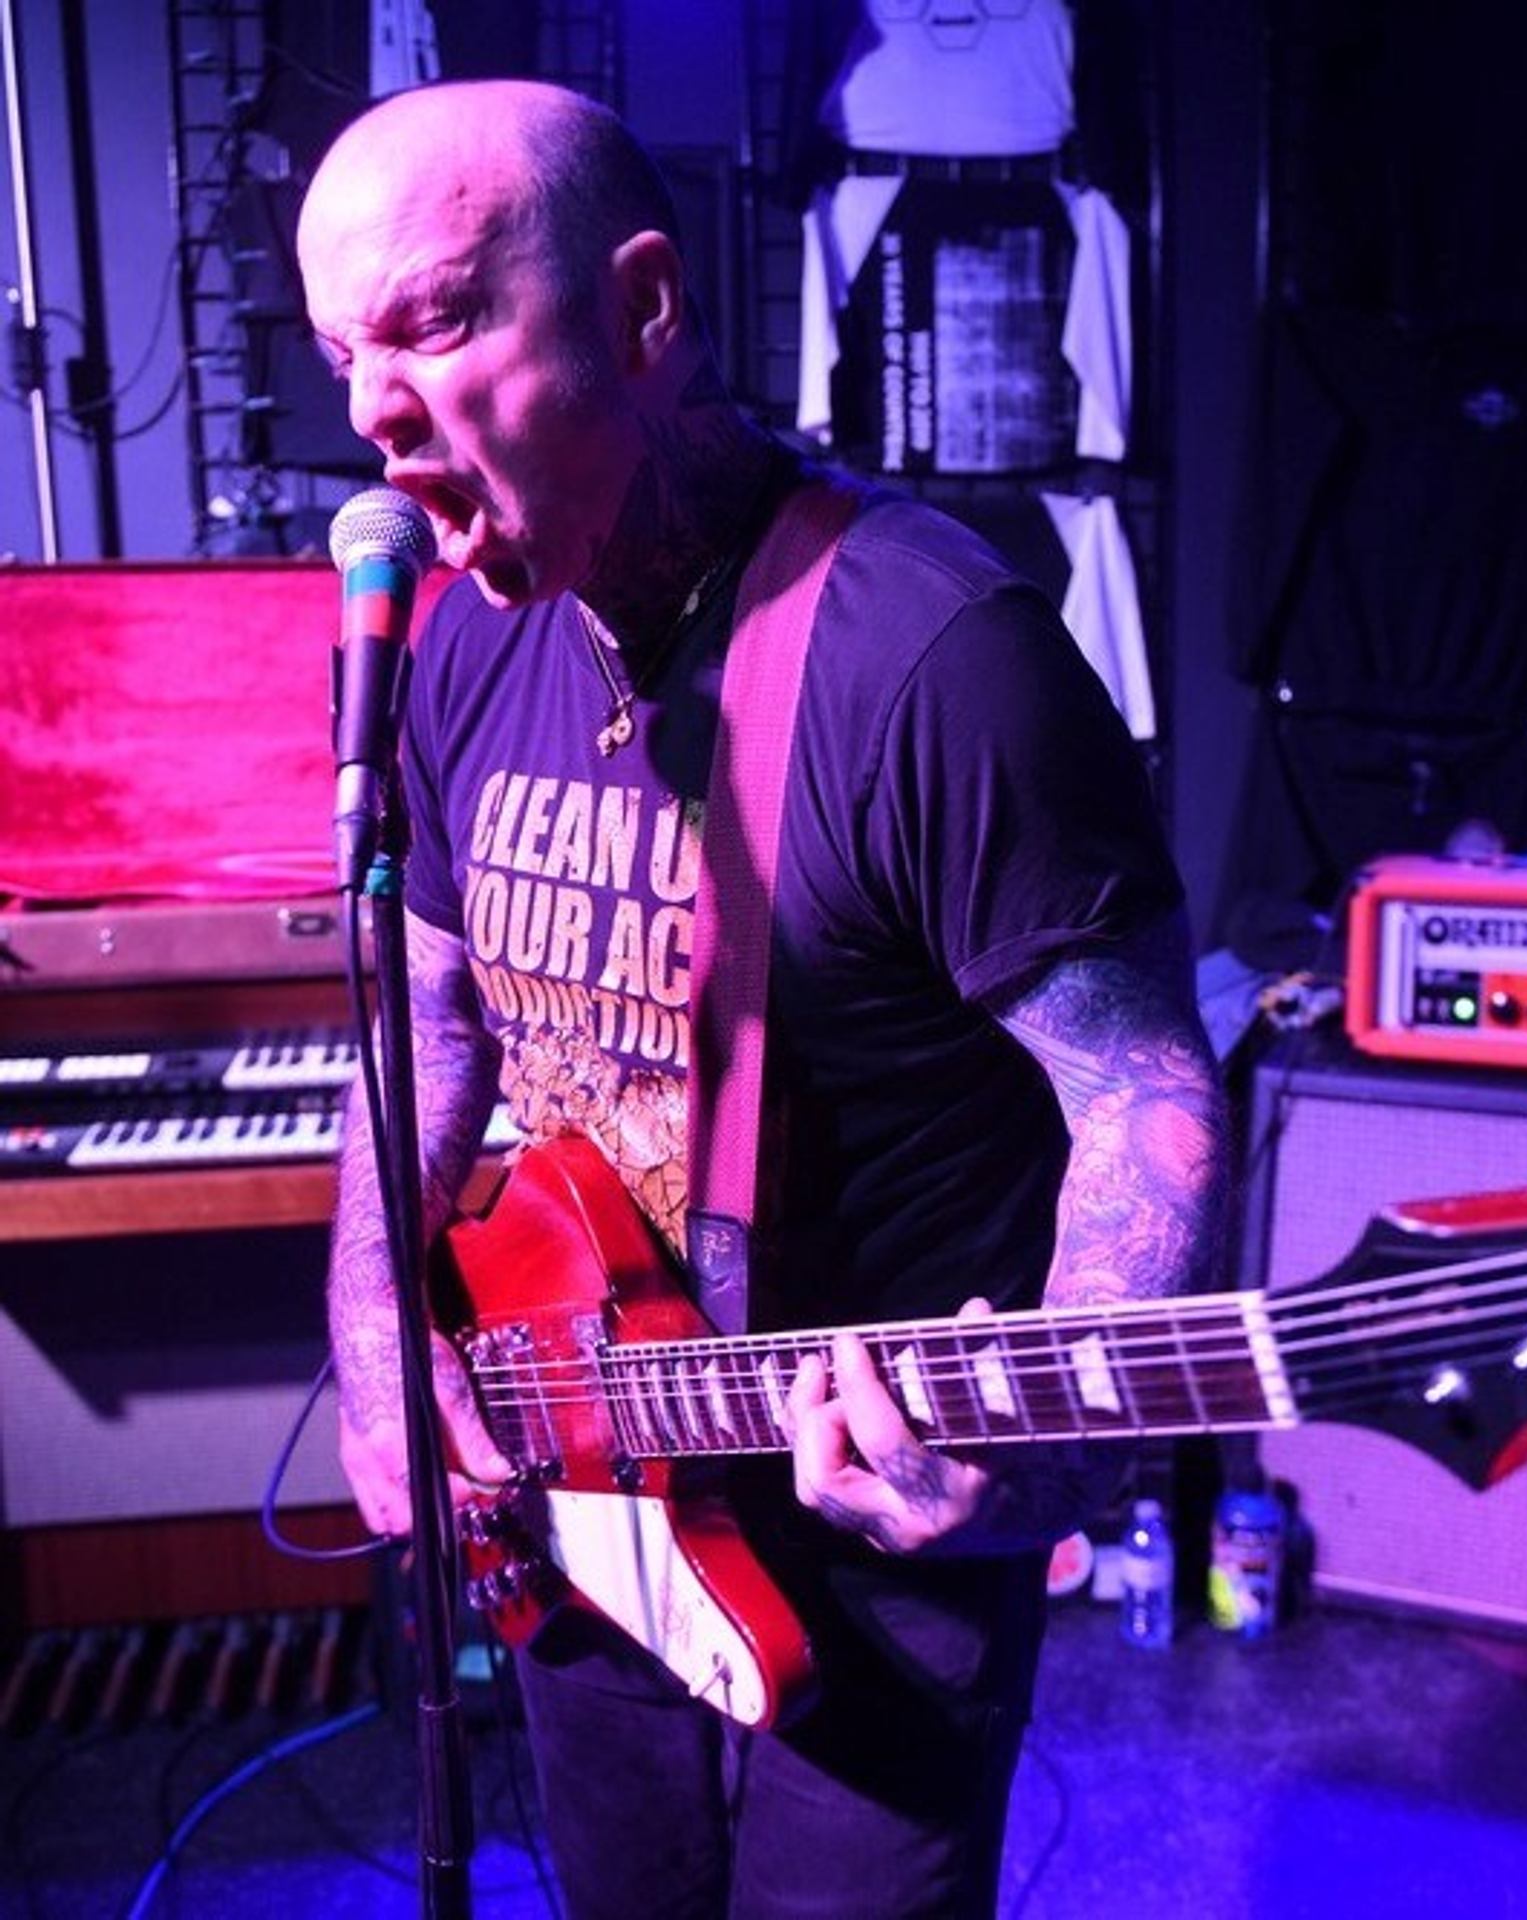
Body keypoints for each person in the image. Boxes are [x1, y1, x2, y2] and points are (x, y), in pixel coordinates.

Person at [297, 77, 1226, 1919]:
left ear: (643, 309)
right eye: (342, 358)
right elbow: (427, 1028)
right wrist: (376, 1334)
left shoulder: (931, 651)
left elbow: (1148, 1096)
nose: (373, 415)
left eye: (435, 324)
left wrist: (1047, 1458)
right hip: (585, 1490)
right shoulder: (456, 636)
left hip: (870, 1543)